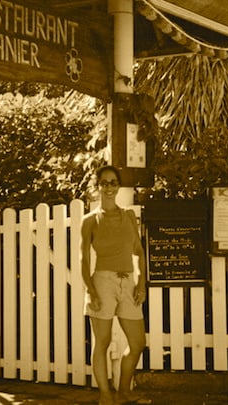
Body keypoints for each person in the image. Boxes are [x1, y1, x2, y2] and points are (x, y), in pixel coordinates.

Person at [81, 165, 148, 405]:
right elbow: (84, 259)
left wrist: (141, 284)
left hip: (127, 281)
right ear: (98, 186)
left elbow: (139, 252)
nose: (109, 187)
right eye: (104, 182)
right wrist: (91, 290)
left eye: (113, 182)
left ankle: (124, 392)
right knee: (102, 341)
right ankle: (106, 396)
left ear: (118, 186)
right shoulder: (90, 220)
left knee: (138, 343)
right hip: (102, 282)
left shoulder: (129, 216)